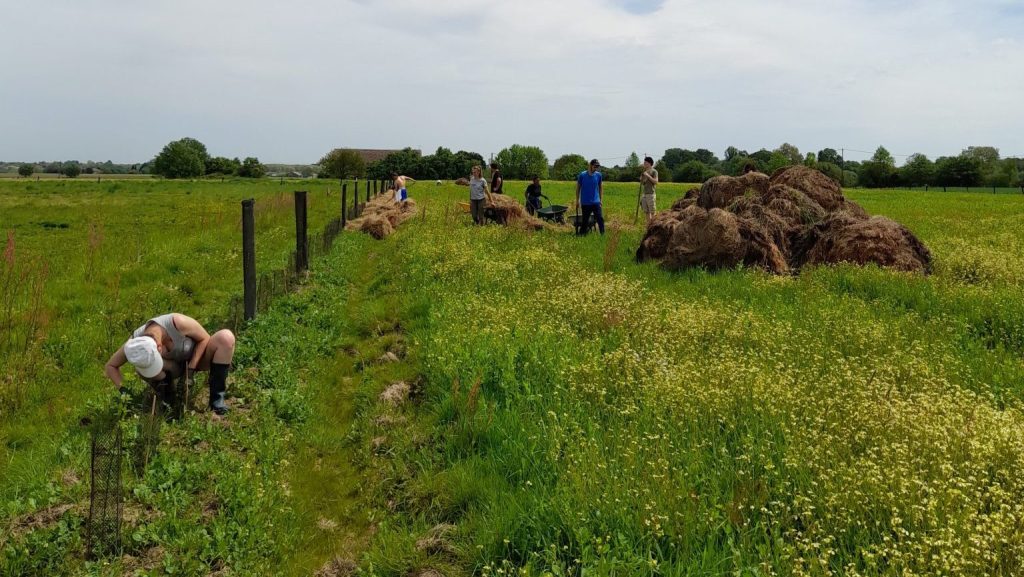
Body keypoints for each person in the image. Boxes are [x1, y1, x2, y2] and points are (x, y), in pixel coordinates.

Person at [104, 313, 236, 415]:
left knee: (225, 338)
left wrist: (190, 371)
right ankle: (170, 401)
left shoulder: (177, 323)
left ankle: (217, 400)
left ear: (159, 347)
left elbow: (205, 339)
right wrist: (126, 393)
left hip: (197, 359)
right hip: (173, 370)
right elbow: (110, 366)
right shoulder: (135, 344)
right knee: (140, 369)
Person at [575, 159, 605, 235]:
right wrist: (577, 200)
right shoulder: (582, 175)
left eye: (597, 167)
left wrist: (601, 200)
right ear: (590, 165)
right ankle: (581, 234)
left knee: (600, 218)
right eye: (595, 166)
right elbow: (578, 188)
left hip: (596, 202)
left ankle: (603, 234)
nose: (596, 168)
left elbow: (601, 187)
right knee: (585, 220)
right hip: (585, 202)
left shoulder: (599, 175)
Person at [639, 156, 658, 222]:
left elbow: (656, 182)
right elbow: (643, 183)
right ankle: (648, 227)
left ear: (649, 163)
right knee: (646, 212)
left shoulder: (654, 171)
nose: (644, 163)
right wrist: (641, 178)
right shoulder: (644, 172)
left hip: (651, 194)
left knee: (653, 212)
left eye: (645, 162)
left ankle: (654, 226)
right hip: (644, 194)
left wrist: (648, 176)